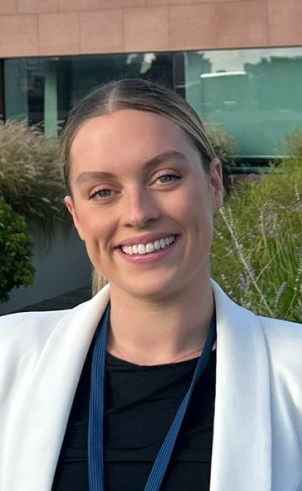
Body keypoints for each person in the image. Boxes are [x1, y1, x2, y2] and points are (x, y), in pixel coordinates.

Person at [0, 79, 302, 491]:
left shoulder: (295, 371)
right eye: (103, 191)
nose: (138, 213)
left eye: (165, 177)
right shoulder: (8, 357)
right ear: (76, 215)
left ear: (214, 184)